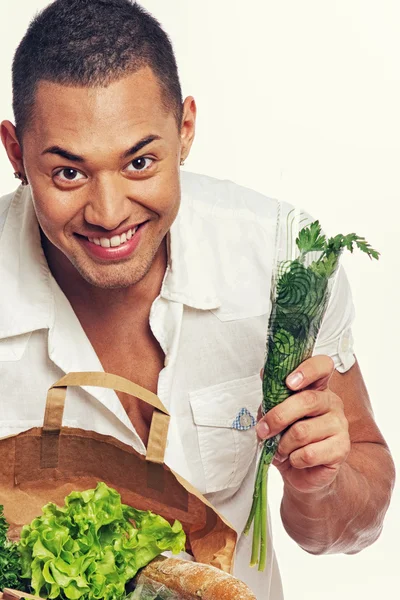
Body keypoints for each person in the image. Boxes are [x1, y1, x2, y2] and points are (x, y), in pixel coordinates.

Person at [0, 0, 395, 597]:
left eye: (139, 162)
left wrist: (321, 486)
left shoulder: (285, 263)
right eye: (69, 173)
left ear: (185, 129)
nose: (110, 214)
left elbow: (343, 532)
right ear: (16, 153)